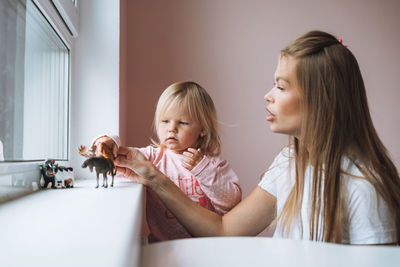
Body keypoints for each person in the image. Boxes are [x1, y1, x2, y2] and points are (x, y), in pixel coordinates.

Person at [114, 31, 400, 245]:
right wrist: (152, 175)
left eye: (281, 86)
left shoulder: (365, 188)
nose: (268, 95)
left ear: (320, 101)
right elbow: (224, 230)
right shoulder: (290, 162)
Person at [93, 81, 242, 243]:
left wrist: (203, 170)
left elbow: (231, 202)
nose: (172, 128)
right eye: (165, 121)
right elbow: (117, 160)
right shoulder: (153, 157)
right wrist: (107, 143)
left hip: (208, 246)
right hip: (164, 246)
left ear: (203, 129)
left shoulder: (212, 164)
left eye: (183, 122)